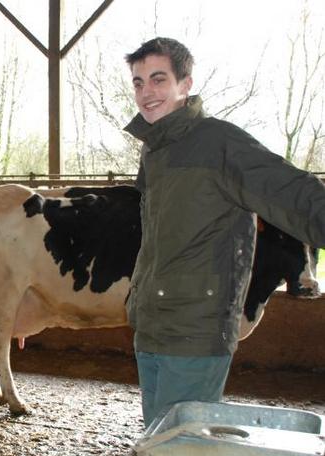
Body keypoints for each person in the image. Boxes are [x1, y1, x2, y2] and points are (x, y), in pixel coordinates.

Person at [123, 37, 325, 428]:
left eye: (158, 79)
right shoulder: (155, 152)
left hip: (194, 331)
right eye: (138, 82)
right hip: (151, 326)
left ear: (186, 84)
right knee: (157, 444)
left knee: (180, 453)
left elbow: (293, 193)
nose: (146, 92)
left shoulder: (219, 143)